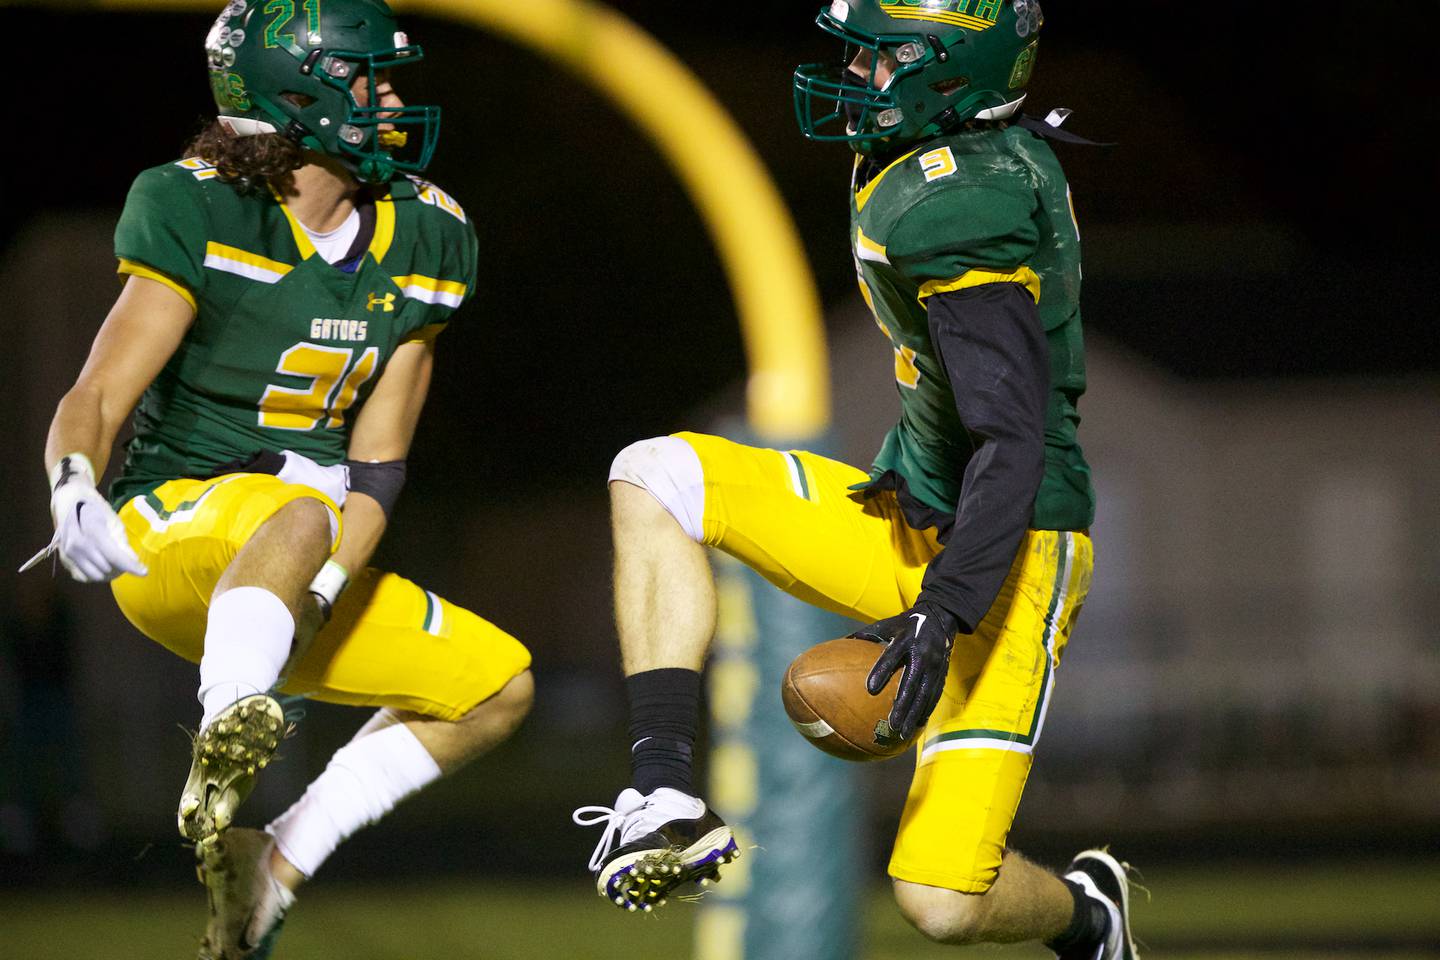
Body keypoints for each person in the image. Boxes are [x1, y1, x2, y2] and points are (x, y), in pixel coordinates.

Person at [574, 1, 1136, 956]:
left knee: (942, 903)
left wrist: (945, 608)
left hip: (1010, 553)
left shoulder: (962, 200)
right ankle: (660, 784)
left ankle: (1088, 914)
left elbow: (1016, 436)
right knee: (654, 475)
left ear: (954, 72)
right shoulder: (940, 157)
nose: (860, 79)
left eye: (885, 60)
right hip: (910, 518)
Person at [25, 1, 532, 956]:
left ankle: (276, 858)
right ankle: (226, 727)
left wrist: (329, 586)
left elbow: (379, 469)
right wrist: (73, 485)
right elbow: (96, 392)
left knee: (495, 688)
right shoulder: (200, 204)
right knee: (302, 504)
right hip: (176, 531)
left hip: (298, 565)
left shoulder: (427, 238)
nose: (393, 99)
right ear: (297, 92)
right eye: (369, 78)